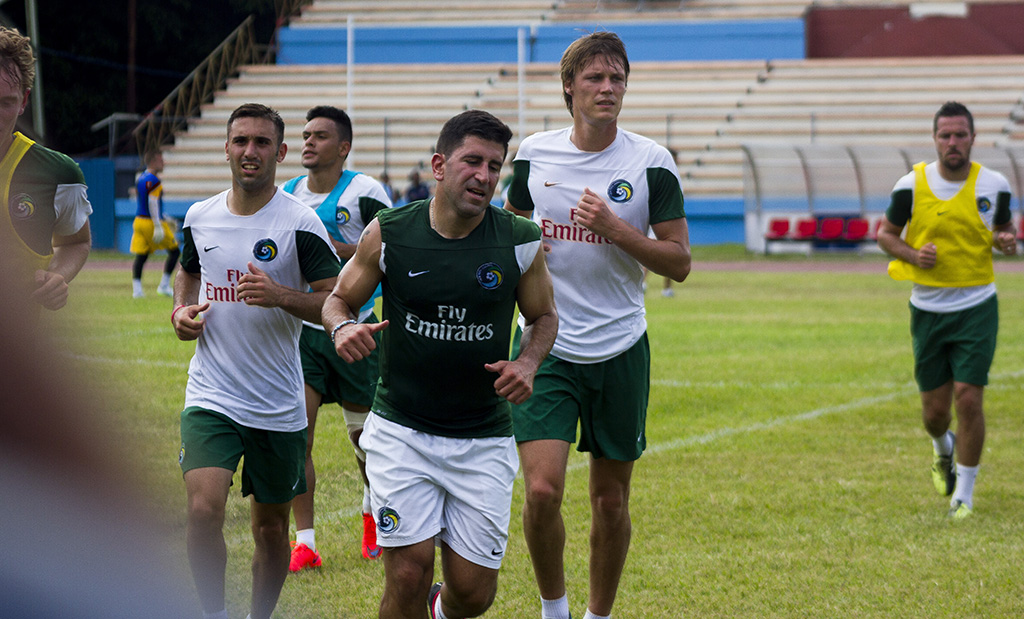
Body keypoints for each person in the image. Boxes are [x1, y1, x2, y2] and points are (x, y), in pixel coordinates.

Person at [322, 109, 558, 619]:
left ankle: (442, 610)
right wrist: (343, 327)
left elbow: (543, 317)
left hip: (483, 436)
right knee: (407, 573)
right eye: (472, 161)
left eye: (495, 166)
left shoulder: (519, 239)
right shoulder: (390, 232)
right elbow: (337, 299)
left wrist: (529, 362)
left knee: (474, 594)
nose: (485, 176)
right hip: (403, 429)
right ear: (439, 165)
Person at [504, 31, 691, 619]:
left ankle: (597, 615)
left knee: (610, 502)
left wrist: (617, 230)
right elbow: (507, 230)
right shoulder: (534, 153)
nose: (608, 88)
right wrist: (527, 245)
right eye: (595, 78)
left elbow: (679, 262)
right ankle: (553, 608)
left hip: (620, 346)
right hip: (546, 341)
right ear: (570, 88)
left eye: (617, 78)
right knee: (541, 491)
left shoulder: (650, 162)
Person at [171, 103, 341, 619]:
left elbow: (335, 302)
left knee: (270, 531)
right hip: (211, 393)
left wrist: (281, 296)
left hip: (275, 403)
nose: (250, 151)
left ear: (281, 152)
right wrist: (180, 310)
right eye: (241, 140)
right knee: (202, 511)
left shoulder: (299, 222)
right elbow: (189, 270)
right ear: (225, 147)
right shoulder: (200, 216)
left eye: (262, 142)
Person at [877, 101, 1017, 520]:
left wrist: (1005, 240)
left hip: (977, 304)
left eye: (960, 134)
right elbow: (885, 235)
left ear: (973, 138)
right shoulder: (910, 185)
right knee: (935, 414)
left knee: (969, 399)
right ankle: (943, 448)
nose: (952, 142)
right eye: (945, 135)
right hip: (927, 308)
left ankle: (965, 495)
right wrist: (913, 254)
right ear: (935, 139)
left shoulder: (993, 185)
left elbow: (1002, 230)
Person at [281, 105, 392, 570]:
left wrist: (331, 247)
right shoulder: (287, 193)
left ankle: (373, 514)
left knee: (366, 440)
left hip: (356, 327)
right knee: (297, 438)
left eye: (320, 136)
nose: (308, 142)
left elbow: (393, 246)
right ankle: (304, 542)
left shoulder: (366, 191)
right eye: (305, 134)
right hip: (304, 334)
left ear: (343, 147)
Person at [0, 25, 91, 313]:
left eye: (4, 103)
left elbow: (77, 241)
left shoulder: (58, 175)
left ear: (23, 101)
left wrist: (57, 277)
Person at [130, 148, 179, 298]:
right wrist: (158, 223)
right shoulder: (154, 181)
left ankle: (137, 290)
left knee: (142, 255)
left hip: (139, 221)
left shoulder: (141, 178)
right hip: (151, 222)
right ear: (153, 160)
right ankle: (164, 285)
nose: (163, 162)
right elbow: (152, 202)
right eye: (161, 159)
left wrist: (164, 215)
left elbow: (144, 201)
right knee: (175, 251)